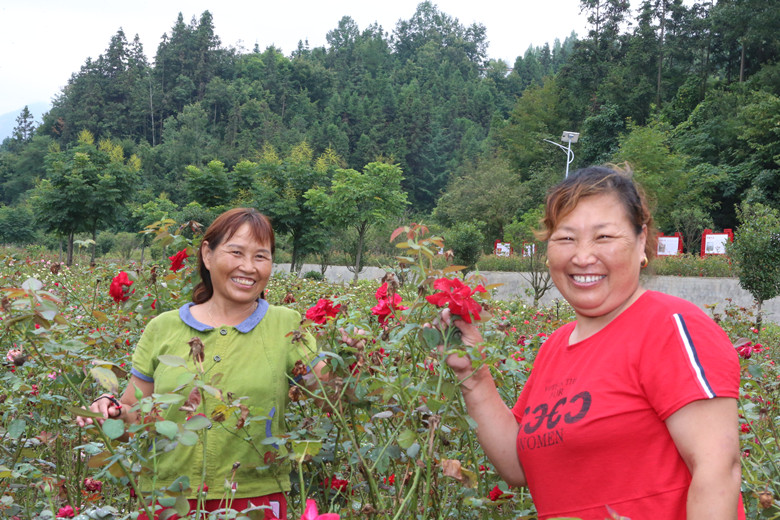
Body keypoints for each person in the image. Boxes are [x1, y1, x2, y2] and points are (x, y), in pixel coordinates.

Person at [441, 166, 744, 520]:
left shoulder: (670, 327)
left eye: (603, 238)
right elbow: (518, 467)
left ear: (641, 239)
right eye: (566, 238)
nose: (582, 256)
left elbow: (718, 468)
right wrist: (473, 375)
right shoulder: (556, 346)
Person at [77, 208, 327, 519]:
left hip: (253, 500)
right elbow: (136, 416)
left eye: (261, 257)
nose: (248, 267)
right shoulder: (163, 328)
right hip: (169, 497)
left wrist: (354, 354)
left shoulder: (286, 325)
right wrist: (110, 410)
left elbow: (333, 394)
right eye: (236, 252)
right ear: (207, 255)